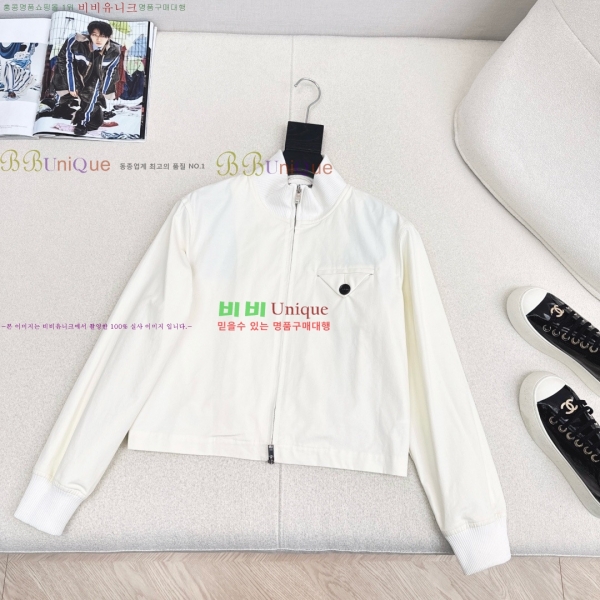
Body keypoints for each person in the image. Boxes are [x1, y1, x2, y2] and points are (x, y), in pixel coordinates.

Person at [51, 21, 121, 136]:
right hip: (76, 70)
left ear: (108, 37)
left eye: (103, 36)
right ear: (89, 35)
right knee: (63, 87)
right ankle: (61, 107)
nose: (98, 39)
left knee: (92, 99)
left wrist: (104, 89)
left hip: (95, 75)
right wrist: (72, 85)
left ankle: (82, 123)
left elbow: (111, 70)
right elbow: (66, 62)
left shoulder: (115, 50)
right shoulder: (75, 42)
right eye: (95, 35)